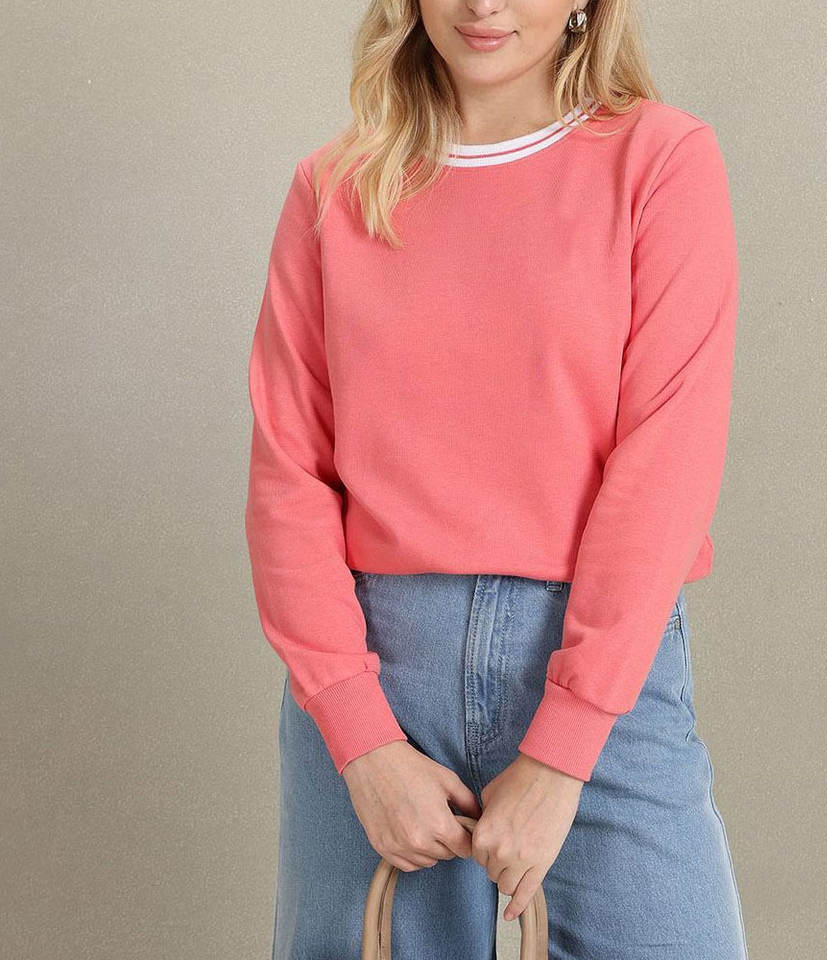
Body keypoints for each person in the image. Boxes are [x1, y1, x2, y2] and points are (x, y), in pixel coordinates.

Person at [243, 0, 748, 957]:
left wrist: (564, 749)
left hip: (599, 663)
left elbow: (666, 465)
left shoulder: (659, 161)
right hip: (375, 673)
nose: (484, 4)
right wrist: (360, 738)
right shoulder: (335, 189)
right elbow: (288, 474)